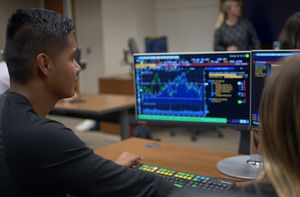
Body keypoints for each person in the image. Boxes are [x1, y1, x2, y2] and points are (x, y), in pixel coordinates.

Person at [0, 8, 174, 196]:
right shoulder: (43, 135)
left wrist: (104, 172)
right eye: (72, 57)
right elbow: (149, 188)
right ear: (44, 64)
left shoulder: (6, 110)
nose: (77, 67)